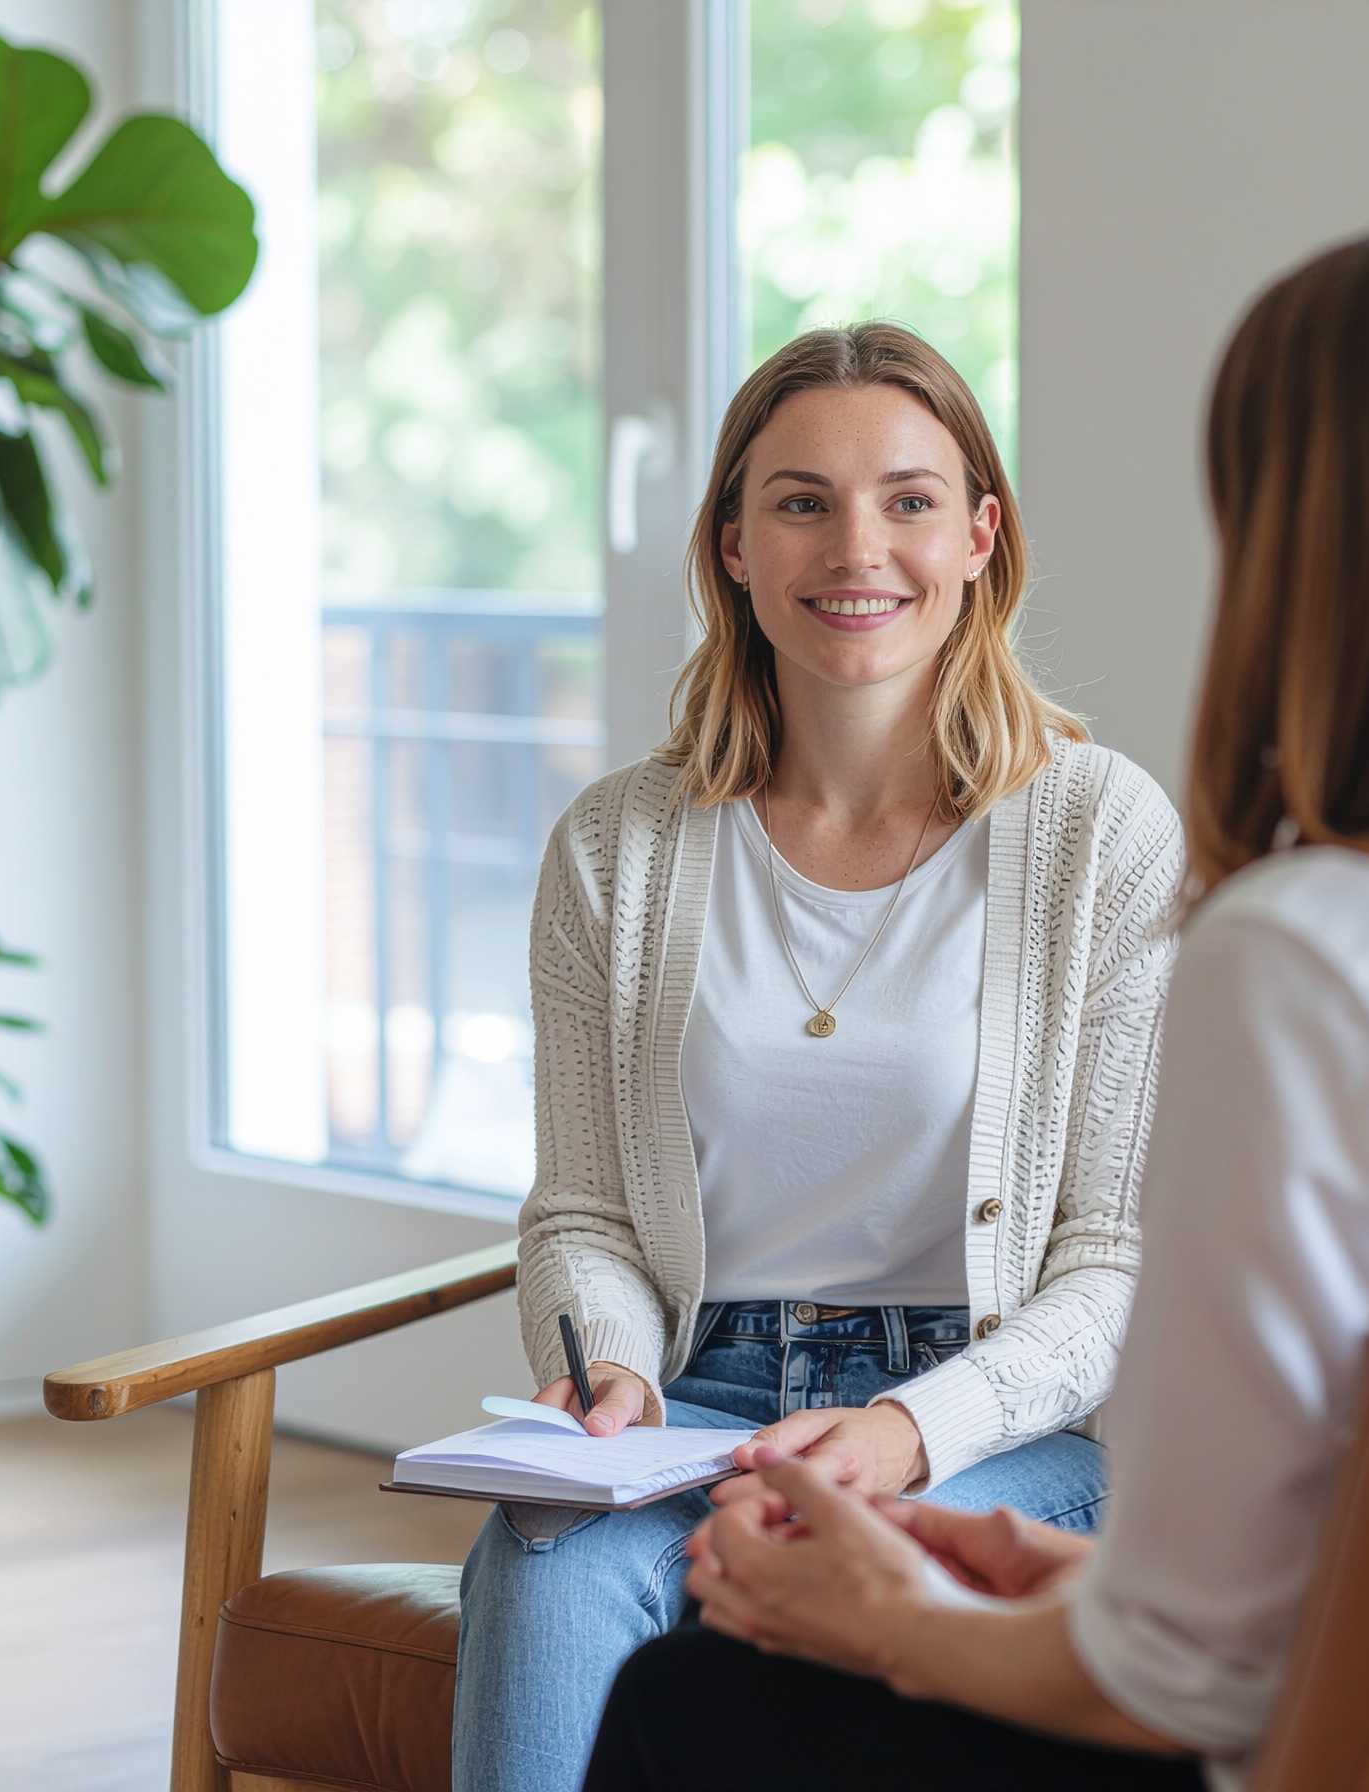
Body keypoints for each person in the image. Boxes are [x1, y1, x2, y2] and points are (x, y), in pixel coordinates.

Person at [582, 224, 1369, 1792]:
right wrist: (1066, 1583)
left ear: (1304, 547)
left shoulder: (1311, 958)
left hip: (1366, 1750)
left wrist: (890, 1621)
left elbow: (1183, 1681)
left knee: (687, 1708)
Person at [452, 322, 1185, 1791]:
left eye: (908, 499)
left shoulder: (1100, 832)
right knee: (542, 1563)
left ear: (982, 535)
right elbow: (584, 1215)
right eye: (801, 501)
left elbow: (1108, 1260)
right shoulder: (615, 847)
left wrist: (912, 1432)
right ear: (731, 542)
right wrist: (607, 1375)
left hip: (988, 1420)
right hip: (694, 1400)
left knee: (749, 1661)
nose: (858, 546)